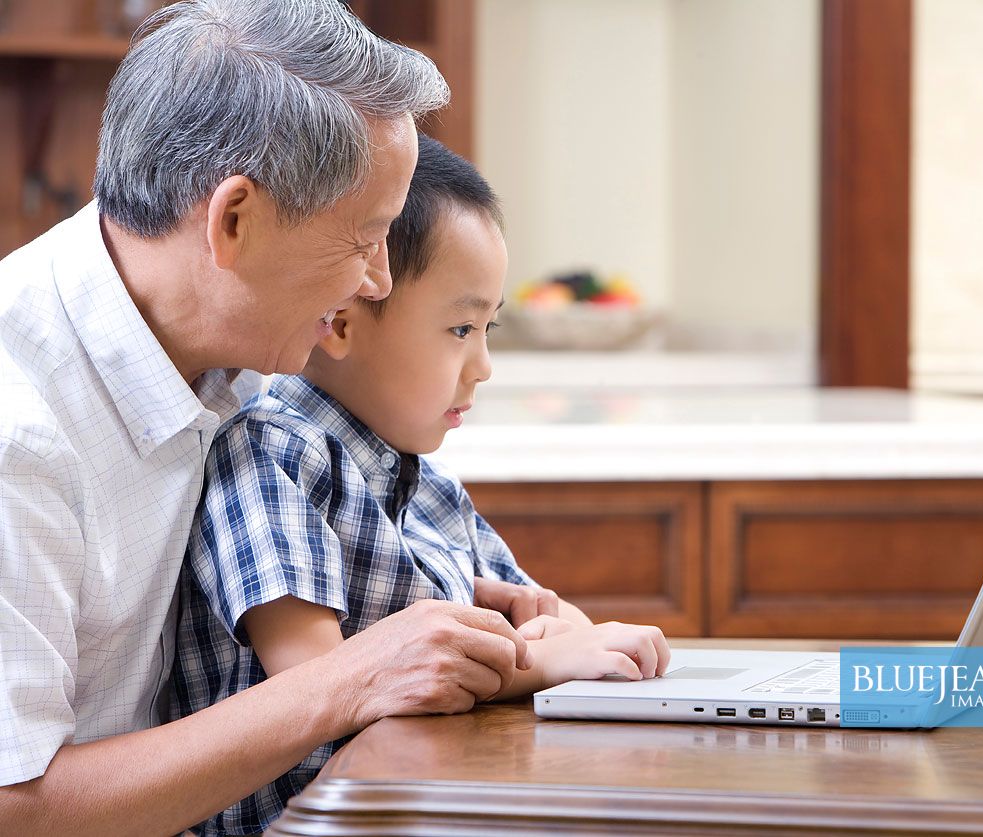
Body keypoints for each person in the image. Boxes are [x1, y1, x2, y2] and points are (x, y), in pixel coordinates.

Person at [0, 2, 554, 834]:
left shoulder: (228, 342)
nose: (375, 281)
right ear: (235, 220)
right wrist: (345, 680)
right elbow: (18, 808)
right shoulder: (21, 430)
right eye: (367, 237)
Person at [171, 135, 671, 835]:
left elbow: (561, 629)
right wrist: (533, 659)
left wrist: (553, 636)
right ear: (340, 320)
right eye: (460, 328)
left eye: (488, 328)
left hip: (424, 798)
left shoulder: (424, 483)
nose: (483, 365)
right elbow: (315, 679)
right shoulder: (270, 454)